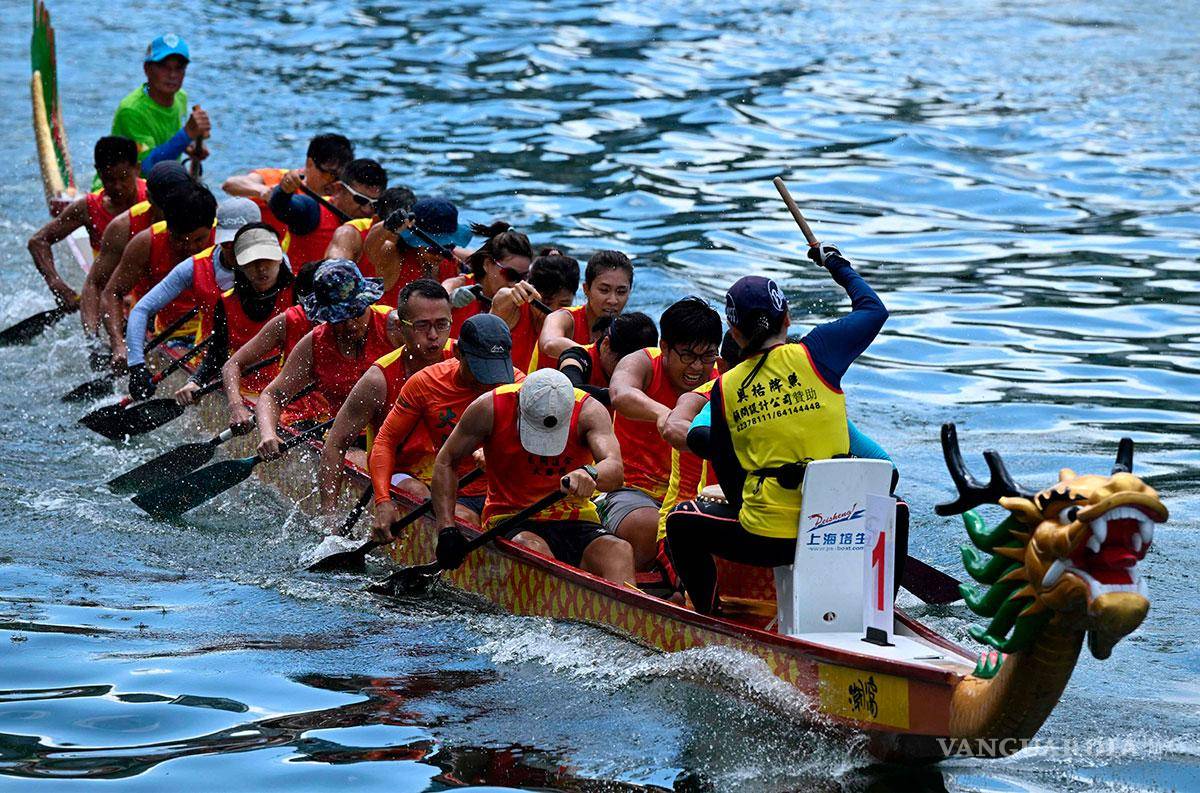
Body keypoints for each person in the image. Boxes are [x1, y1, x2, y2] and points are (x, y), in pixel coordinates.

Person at [664, 245, 888, 616]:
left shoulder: (724, 387)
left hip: (769, 540)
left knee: (680, 522)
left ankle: (707, 616)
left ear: (734, 334)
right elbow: (874, 310)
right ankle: (877, 613)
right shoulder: (819, 352)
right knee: (894, 504)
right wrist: (836, 264)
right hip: (839, 530)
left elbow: (728, 472)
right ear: (787, 318)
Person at [428, 369, 635, 585]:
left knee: (619, 551)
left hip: (574, 516)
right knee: (533, 550)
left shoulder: (589, 411)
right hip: (511, 518)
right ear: (519, 401)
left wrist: (590, 473)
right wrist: (446, 530)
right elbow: (447, 460)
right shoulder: (489, 408)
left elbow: (614, 469)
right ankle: (552, 600)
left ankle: (622, 606)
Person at [368, 314, 520, 531]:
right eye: (480, 369)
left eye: (494, 369)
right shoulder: (425, 383)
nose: (488, 382)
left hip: (509, 495)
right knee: (465, 523)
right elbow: (385, 441)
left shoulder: (520, 386)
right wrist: (382, 500)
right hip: (457, 493)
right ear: (458, 353)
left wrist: (501, 451)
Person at [606, 297, 723, 571]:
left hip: (694, 498)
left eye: (707, 356)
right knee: (650, 527)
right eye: (687, 355)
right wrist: (664, 415)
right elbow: (620, 393)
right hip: (631, 491)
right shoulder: (644, 362)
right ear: (665, 347)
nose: (697, 367)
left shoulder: (722, 379)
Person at [317, 279, 454, 513]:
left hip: (453, 470)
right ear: (400, 327)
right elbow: (336, 444)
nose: (433, 335)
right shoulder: (377, 379)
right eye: (422, 325)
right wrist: (329, 516)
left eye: (442, 324)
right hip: (399, 473)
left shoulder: (465, 359)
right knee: (419, 494)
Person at [255, 260, 402, 459]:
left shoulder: (397, 327)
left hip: (401, 434)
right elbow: (272, 395)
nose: (350, 325)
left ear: (368, 301)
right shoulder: (315, 343)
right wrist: (268, 434)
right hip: (347, 441)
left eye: (356, 313)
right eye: (339, 318)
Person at [124, 197, 262, 396]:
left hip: (262, 364)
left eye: (240, 242)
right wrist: (136, 366)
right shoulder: (193, 267)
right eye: (227, 242)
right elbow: (141, 310)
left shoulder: (276, 265)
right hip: (208, 361)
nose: (233, 248)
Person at [173, 223, 297, 411]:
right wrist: (195, 381)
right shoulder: (226, 302)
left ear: (279, 258)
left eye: (267, 259)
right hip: (243, 391)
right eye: (252, 261)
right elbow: (217, 354)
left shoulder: (299, 292)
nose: (261, 268)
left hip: (289, 393)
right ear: (240, 266)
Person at [79, 161, 192, 354]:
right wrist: (100, 342)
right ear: (149, 198)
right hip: (153, 321)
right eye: (166, 208)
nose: (174, 215)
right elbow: (96, 285)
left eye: (180, 207)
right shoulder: (124, 228)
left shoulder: (204, 218)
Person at [101, 182, 217, 366]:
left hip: (216, 334)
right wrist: (118, 345)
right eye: (180, 240)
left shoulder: (225, 242)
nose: (190, 249)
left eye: (199, 240)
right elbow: (112, 292)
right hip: (174, 336)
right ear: (167, 226)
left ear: (212, 226)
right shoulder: (146, 242)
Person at [27, 136, 145, 309]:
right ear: (98, 172)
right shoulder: (88, 208)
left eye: (124, 178)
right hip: (112, 296)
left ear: (137, 169)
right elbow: (38, 242)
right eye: (110, 180)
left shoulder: (156, 199)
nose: (118, 187)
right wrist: (57, 284)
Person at [219, 260, 325, 434]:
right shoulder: (290, 320)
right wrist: (236, 406)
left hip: (345, 419)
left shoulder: (365, 320)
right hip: (298, 417)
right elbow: (232, 364)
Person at [110, 34, 210, 177]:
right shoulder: (131, 110)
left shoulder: (180, 97)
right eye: (164, 67)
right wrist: (186, 134)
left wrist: (189, 145)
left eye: (179, 68)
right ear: (147, 69)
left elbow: (169, 139)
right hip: (123, 184)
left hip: (162, 182)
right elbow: (146, 166)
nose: (172, 75)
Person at [222, 133, 355, 235]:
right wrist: (263, 191)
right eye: (329, 174)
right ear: (309, 164)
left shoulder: (347, 198)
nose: (334, 183)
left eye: (340, 178)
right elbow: (230, 184)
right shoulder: (282, 180)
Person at [268, 158, 387, 271]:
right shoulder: (311, 210)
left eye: (375, 204)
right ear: (339, 189)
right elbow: (280, 207)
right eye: (361, 200)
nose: (367, 210)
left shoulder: (378, 225)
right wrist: (283, 191)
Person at [535, 249, 633, 370]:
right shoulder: (563, 317)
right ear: (586, 289)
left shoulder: (627, 332)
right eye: (604, 290)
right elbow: (549, 343)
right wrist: (597, 356)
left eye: (621, 292)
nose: (613, 300)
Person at [323, 186, 417, 304]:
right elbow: (331, 275)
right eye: (395, 231)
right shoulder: (349, 234)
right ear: (376, 220)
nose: (400, 236)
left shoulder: (420, 244)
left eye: (405, 230)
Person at [490, 252, 580, 372]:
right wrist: (510, 293)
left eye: (564, 304)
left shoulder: (577, 319)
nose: (554, 313)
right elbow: (501, 298)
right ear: (531, 292)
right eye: (547, 303)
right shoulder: (512, 307)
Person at [443, 222, 533, 336]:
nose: (515, 284)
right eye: (510, 274)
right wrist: (450, 301)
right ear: (487, 264)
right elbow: (435, 304)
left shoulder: (530, 303)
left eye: (523, 277)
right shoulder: (455, 285)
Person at [557, 311, 658, 395]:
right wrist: (622, 395)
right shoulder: (576, 357)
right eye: (623, 365)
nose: (629, 374)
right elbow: (570, 389)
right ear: (606, 345)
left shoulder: (653, 365)